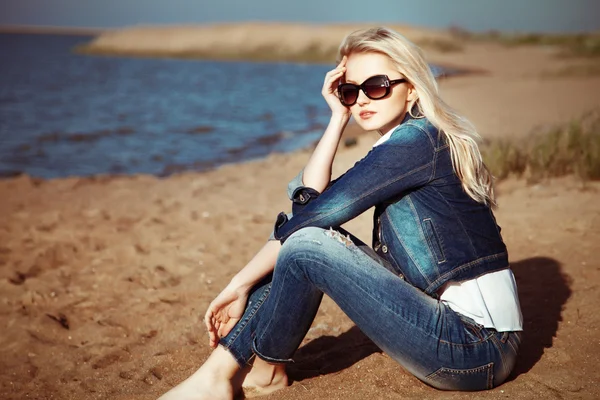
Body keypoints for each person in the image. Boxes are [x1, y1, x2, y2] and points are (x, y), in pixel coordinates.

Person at [158, 26, 523, 400]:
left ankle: (225, 375)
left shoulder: (416, 143)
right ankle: (257, 372)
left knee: (307, 246)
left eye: (377, 86)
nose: (362, 99)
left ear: (412, 86)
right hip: (462, 336)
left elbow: (309, 220)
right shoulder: (408, 139)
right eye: (351, 91)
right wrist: (337, 118)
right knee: (307, 240)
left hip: (474, 349)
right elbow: (312, 205)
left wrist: (237, 285)